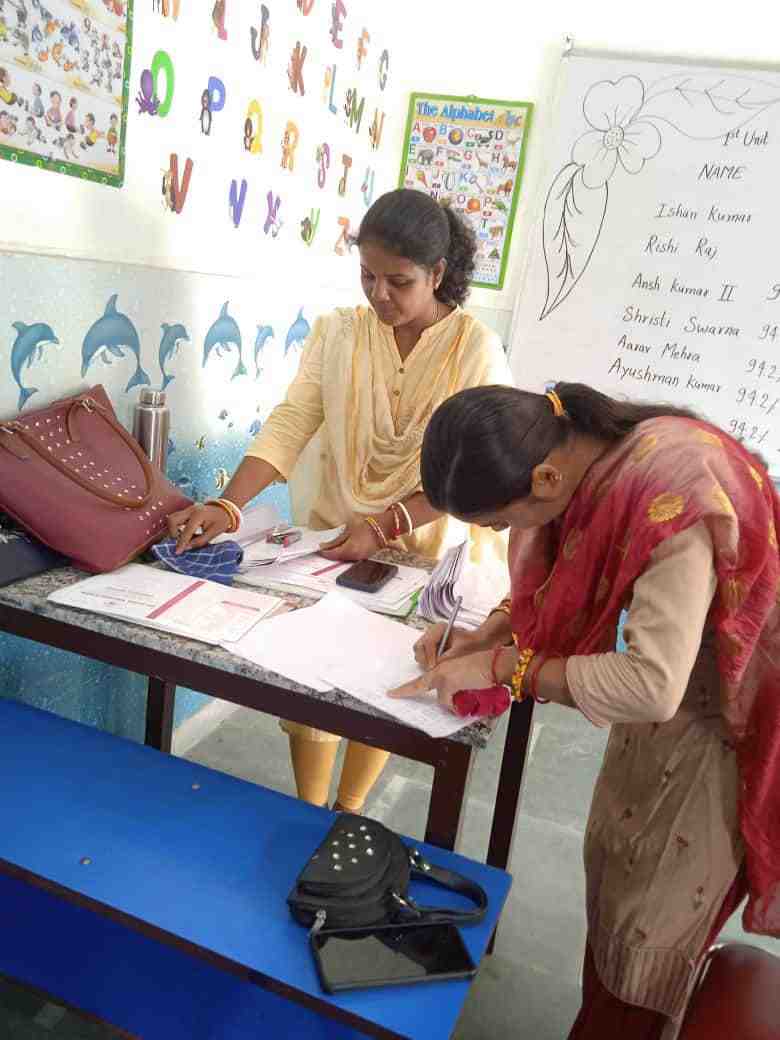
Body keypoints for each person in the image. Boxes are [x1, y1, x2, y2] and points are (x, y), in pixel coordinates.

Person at [392, 382, 780, 1039]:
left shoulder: (672, 497)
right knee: (616, 872)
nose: (508, 537)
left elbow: (652, 682)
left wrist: (503, 668)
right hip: (669, 717)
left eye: (503, 522)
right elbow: (564, 578)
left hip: (724, 726)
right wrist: (490, 631)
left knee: (649, 928)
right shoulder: (575, 446)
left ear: (544, 478)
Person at [168, 189, 513, 814]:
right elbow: (291, 423)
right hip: (334, 534)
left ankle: (348, 810)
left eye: (398, 282)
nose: (379, 295)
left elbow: (477, 466)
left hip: (427, 544)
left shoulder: (476, 350)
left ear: (438, 275)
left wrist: (388, 525)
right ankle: (309, 809)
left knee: (385, 680)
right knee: (317, 673)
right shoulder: (338, 334)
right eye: (367, 277)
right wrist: (228, 507)